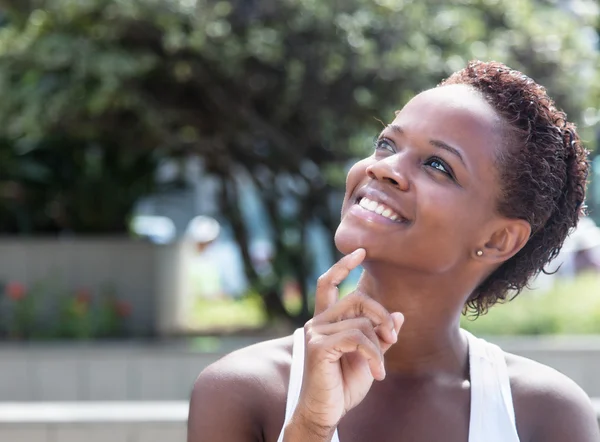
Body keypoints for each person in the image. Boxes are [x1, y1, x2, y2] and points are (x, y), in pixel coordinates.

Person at [187, 60, 600, 442]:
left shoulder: (546, 414)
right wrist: (310, 426)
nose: (382, 167)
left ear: (497, 240)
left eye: (438, 165)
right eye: (386, 144)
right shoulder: (243, 390)